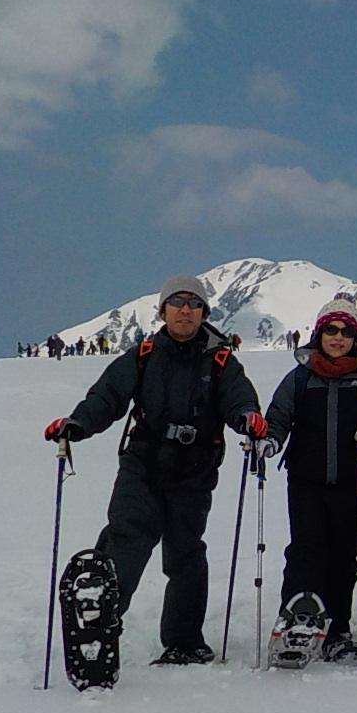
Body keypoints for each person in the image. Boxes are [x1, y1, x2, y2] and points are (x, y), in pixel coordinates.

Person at [42, 274, 265, 665]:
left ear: (203, 313)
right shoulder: (143, 356)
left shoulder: (222, 360)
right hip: (142, 465)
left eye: (193, 303)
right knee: (127, 538)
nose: (185, 310)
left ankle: (184, 641)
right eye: (177, 302)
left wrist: (248, 417)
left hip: (194, 472)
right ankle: (99, 622)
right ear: (162, 310)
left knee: (185, 554)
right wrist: (77, 424)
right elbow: (107, 397)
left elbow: (239, 399)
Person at [258, 294, 357, 661]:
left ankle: (337, 629)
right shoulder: (301, 378)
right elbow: (279, 417)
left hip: (354, 481)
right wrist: (270, 440)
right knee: (306, 549)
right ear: (318, 334)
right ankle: (298, 619)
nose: (338, 337)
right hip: (306, 479)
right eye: (331, 330)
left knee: (345, 555)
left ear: (355, 337)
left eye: (346, 331)